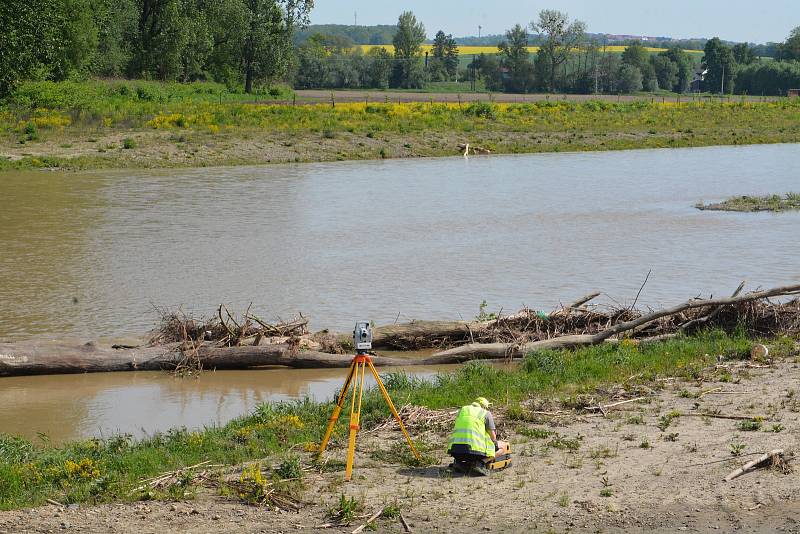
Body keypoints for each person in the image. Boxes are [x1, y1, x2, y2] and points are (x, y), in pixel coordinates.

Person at [447, 396, 509, 474]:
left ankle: (459, 463)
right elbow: (493, 437)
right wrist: (495, 443)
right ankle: (480, 463)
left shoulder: (462, 410)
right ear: (484, 406)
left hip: (455, 451)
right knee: (502, 449)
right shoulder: (485, 413)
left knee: (465, 448)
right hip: (474, 453)